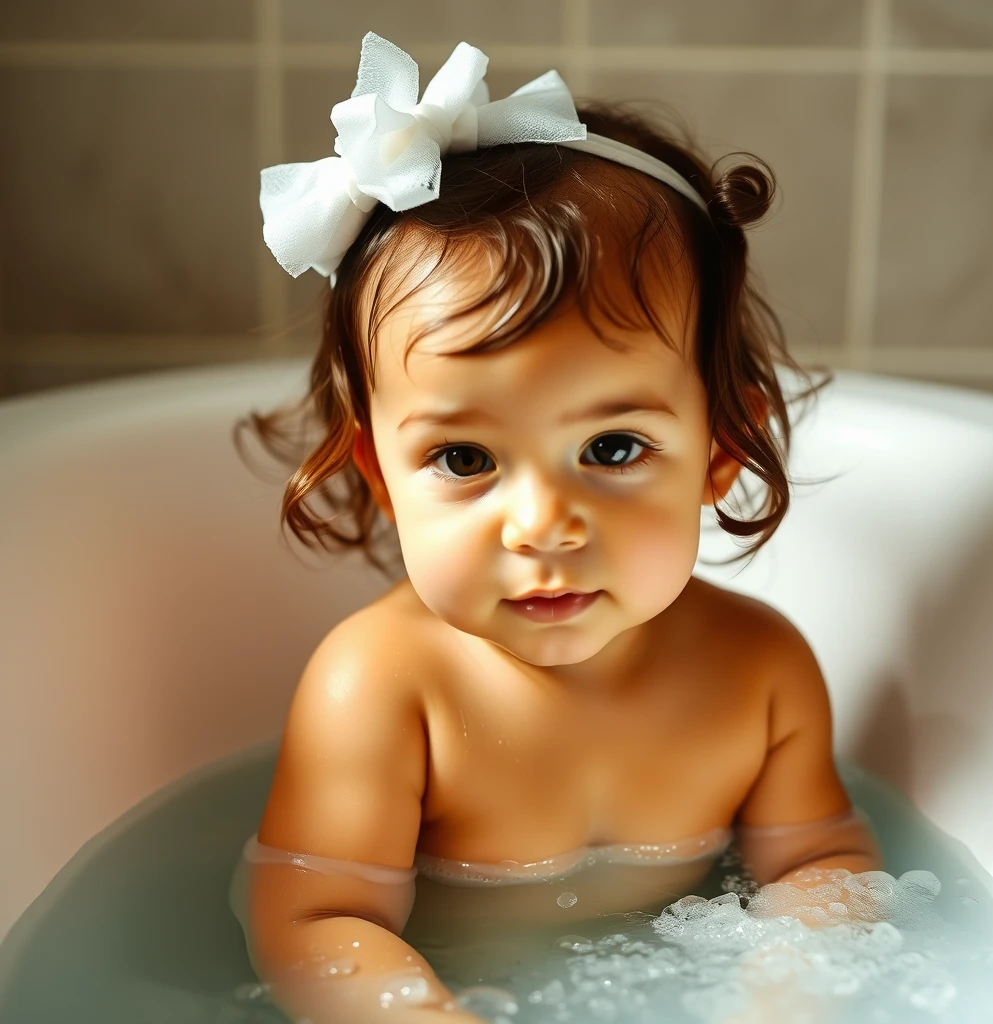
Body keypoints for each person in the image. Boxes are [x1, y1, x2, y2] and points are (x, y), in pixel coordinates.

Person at [232, 31, 882, 1024]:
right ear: (381, 475)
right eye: (464, 458)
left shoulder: (761, 672)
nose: (542, 525)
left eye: (613, 448)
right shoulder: (382, 690)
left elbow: (816, 860)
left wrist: (778, 997)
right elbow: (317, 915)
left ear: (719, 448)